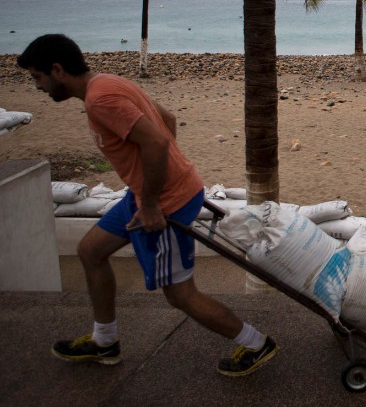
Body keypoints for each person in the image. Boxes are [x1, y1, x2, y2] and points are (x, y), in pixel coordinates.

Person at [16, 34, 278, 377]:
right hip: (143, 195)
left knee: (180, 294)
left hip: (164, 203)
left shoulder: (101, 100)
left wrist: (155, 201)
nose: (37, 86)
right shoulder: (106, 82)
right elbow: (165, 120)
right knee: (91, 251)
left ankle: (257, 343)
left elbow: (156, 139)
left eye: (37, 77)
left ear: (57, 70)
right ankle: (105, 340)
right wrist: (155, 182)